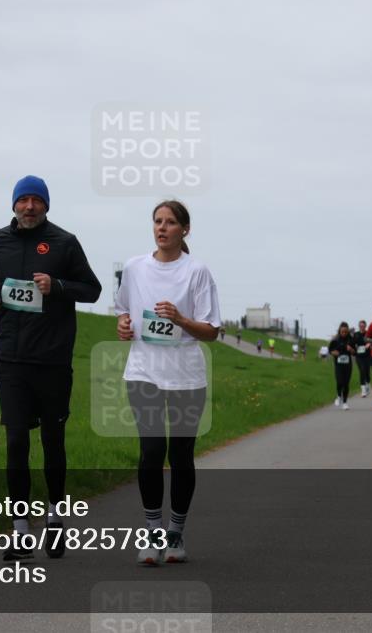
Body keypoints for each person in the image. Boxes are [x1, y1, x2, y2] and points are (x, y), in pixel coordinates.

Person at [0, 175, 102, 560]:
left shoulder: (65, 242)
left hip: (53, 359)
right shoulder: (0, 240)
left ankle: (56, 520)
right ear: (14, 205)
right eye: (23, 200)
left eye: (36, 201)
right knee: (16, 442)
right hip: (11, 358)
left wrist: (58, 285)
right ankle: (20, 531)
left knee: (52, 443)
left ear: (46, 205)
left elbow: (92, 290)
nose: (29, 207)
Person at [115, 200, 221, 566]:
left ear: (184, 230)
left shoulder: (197, 272)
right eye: (157, 221)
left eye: (170, 222)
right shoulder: (133, 267)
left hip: (185, 376)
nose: (162, 228)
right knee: (150, 452)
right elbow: (124, 312)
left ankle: (176, 532)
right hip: (143, 371)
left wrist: (180, 318)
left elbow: (210, 332)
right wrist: (124, 326)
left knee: (180, 456)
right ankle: (151, 532)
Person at [329, 322, 356, 410]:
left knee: (346, 383)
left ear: (348, 331)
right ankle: (338, 395)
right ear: (339, 331)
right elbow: (331, 350)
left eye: (345, 332)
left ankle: (345, 402)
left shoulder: (351, 339)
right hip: (338, 365)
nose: (344, 333)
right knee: (340, 381)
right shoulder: (335, 340)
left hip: (348, 365)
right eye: (342, 332)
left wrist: (351, 349)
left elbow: (355, 353)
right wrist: (335, 353)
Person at [352, 320, 372, 397]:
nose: (362, 327)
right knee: (362, 370)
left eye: (363, 326)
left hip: (367, 355)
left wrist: (369, 344)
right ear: (359, 326)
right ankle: (363, 390)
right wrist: (355, 346)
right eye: (360, 325)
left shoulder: (368, 334)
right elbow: (352, 343)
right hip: (359, 356)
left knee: (367, 371)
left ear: (365, 326)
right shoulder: (356, 334)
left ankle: (367, 383)